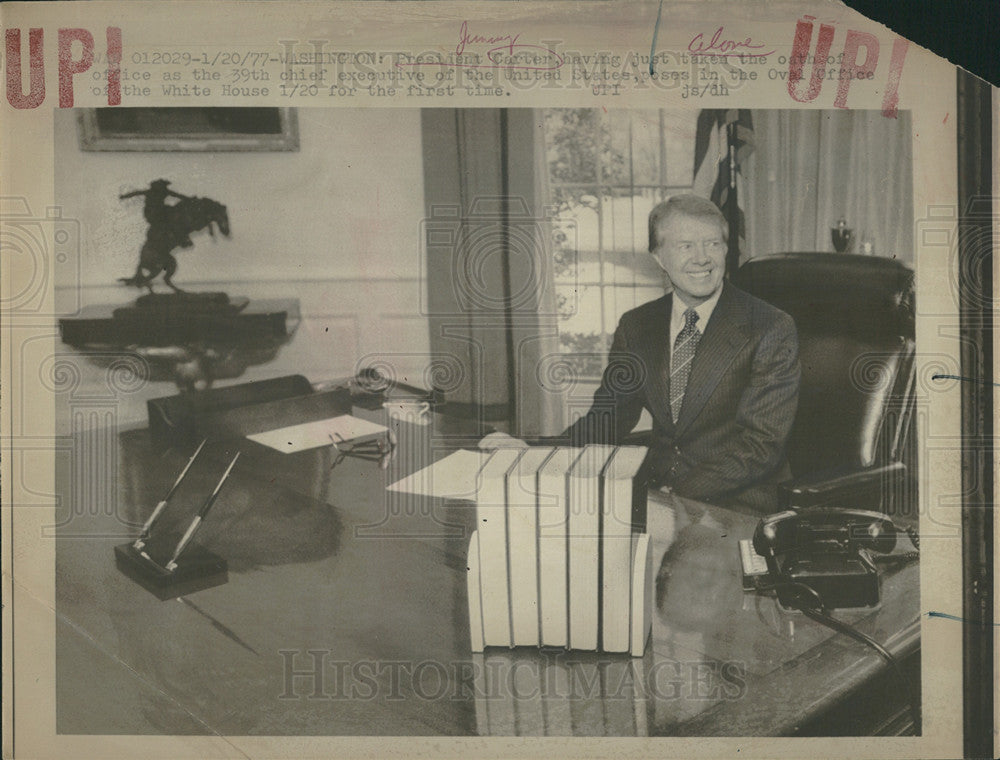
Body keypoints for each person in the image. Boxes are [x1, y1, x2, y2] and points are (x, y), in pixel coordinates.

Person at [484, 194, 800, 512]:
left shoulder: (770, 327)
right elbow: (607, 420)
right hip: (661, 496)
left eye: (713, 244)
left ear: (726, 249)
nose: (702, 258)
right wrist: (534, 450)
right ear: (659, 257)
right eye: (685, 246)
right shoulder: (637, 326)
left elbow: (760, 446)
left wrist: (671, 495)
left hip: (738, 504)